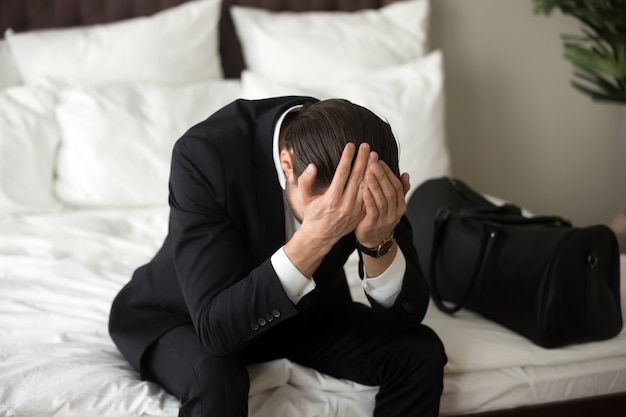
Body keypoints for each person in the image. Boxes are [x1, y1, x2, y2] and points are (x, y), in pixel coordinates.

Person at [109, 96, 447, 417]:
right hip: (183, 317)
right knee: (216, 379)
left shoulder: (364, 158)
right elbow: (216, 332)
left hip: (302, 312)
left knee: (420, 353)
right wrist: (315, 236)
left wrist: (378, 241)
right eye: (337, 215)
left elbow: (407, 315)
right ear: (288, 165)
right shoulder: (205, 154)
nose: (346, 225)